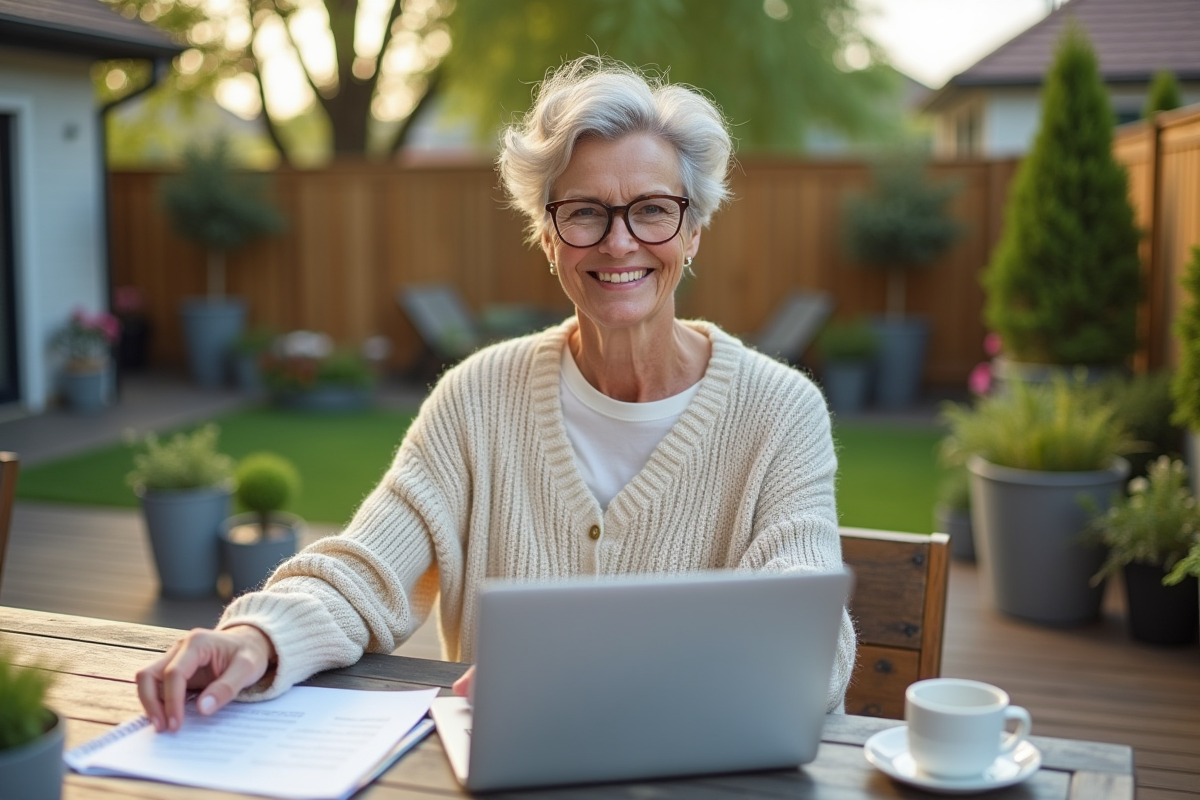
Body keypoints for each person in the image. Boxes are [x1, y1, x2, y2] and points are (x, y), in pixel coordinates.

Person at [136, 56, 857, 733]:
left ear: (693, 229)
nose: (618, 242)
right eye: (583, 212)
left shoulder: (780, 412)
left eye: (653, 209)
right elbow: (369, 567)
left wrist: (600, 675)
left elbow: (808, 640)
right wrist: (259, 635)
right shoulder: (476, 396)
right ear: (547, 236)